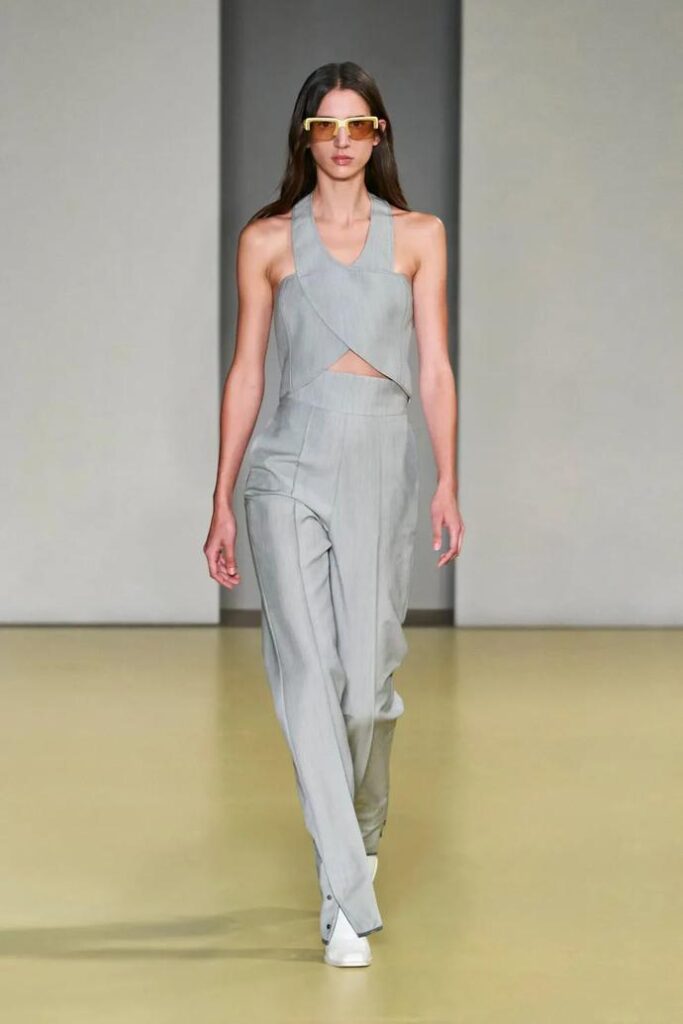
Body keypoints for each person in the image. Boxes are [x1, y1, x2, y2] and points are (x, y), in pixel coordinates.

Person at [204, 61, 464, 967]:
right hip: (286, 464)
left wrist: (447, 479)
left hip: (382, 460)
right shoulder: (267, 240)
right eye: (326, 125)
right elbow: (247, 371)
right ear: (305, 136)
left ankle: (360, 829)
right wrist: (221, 497)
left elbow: (434, 367)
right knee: (306, 675)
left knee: (365, 684)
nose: (343, 140)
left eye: (358, 126)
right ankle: (346, 894)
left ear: (379, 135)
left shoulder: (419, 237)